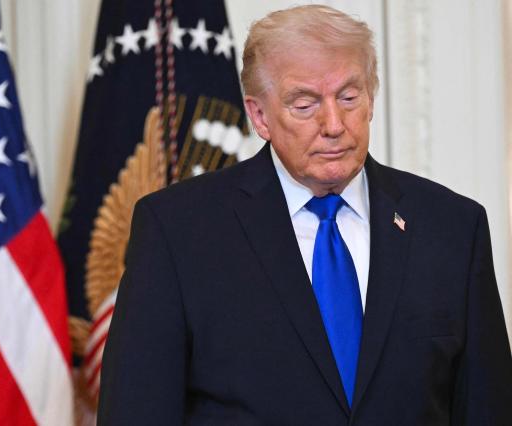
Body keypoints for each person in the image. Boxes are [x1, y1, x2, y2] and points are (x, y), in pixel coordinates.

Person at [98, 5, 512, 425]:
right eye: (304, 104)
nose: (334, 124)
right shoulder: (178, 231)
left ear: (371, 98)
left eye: (349, 97)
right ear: (260, 116)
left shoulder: (453, 227)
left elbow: (487, 409)